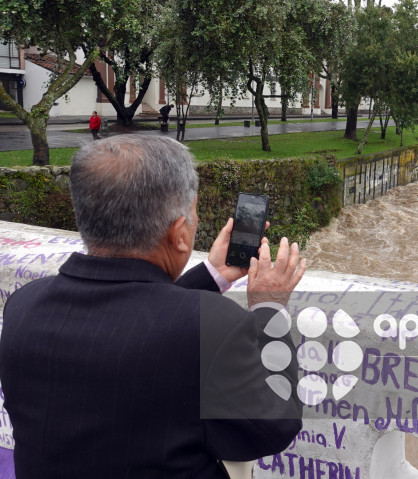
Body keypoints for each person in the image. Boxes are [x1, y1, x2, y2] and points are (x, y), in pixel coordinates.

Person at [0, 135, 305, 478]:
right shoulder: (213, 327)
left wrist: (213, 275)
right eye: (193, 215)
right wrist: (269, 306)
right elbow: (276, 425)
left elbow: (132, 318)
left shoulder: (24, 305)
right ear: (179, 233)